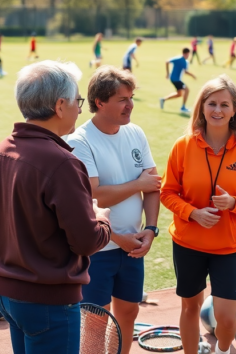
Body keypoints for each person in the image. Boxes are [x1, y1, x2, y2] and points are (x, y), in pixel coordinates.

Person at [0, 60, 112, 354]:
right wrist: (101, 218)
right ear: (59, 105)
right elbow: (86, 241)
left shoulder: (2, 150)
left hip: (6, 293)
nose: (80, 109)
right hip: (48, 299)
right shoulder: (62, 162)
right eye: (78, 101)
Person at [160, 75, 236, 354]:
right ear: (202, 107)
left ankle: (222, 350)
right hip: (188, 243)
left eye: (224, 105)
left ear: (235, 110)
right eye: (212, 103)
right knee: (190, 307)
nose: (218, 110)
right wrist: (192, 213)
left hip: (228, 246)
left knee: (227, 317)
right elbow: (167, 193)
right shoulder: (183, 146)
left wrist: (233, 203)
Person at [66, 66, 160, 354]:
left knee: (128, 313)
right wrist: (138, 184)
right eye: (122, 99)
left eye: (131, 97)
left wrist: (151, 229)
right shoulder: (79, 140)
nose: (130, 105)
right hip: (98, 250)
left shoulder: (135, 133)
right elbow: (94, 196)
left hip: (133, 246)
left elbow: (153, 185)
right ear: (99, 102)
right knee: (95, 320)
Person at [160, 48, 197, 113]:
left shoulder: (183, 60)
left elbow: (185, 71)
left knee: (179, 94)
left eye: (188, 54)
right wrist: (192, 75)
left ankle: (163, 99)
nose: (188, 56)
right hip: (175, 79)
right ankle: (183, 108)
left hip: (175, 79)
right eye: (187, 54)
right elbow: (167, 62)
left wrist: (168, 73)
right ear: (184, 54)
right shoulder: (180, 60)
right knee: (187, 90)